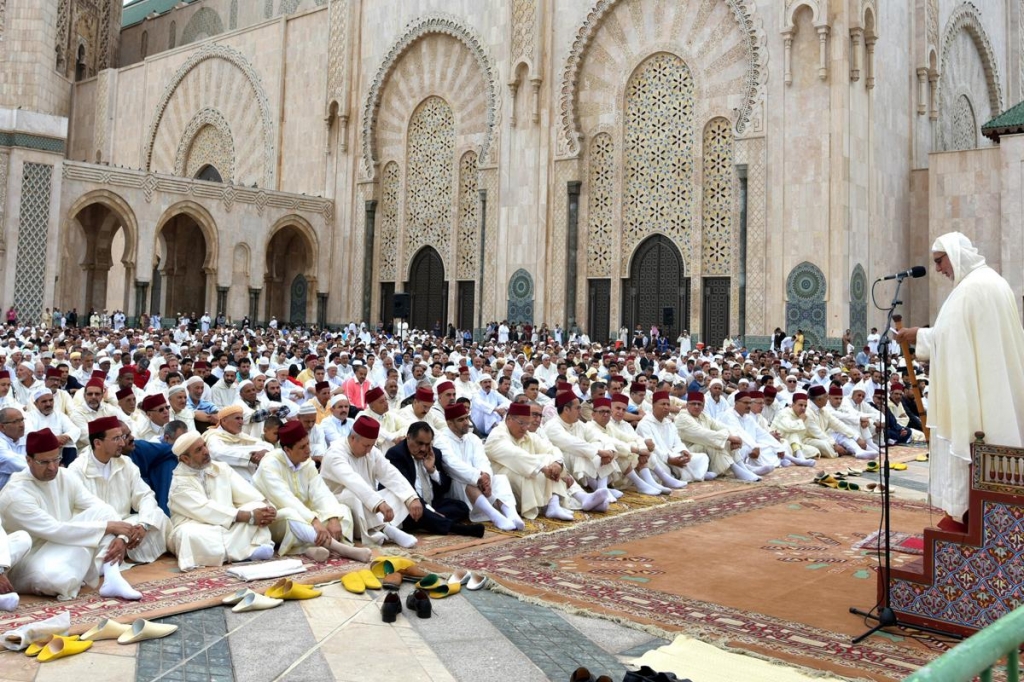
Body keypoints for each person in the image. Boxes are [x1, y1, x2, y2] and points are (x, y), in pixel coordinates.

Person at [896, 232, 1024, 530]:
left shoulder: (970, 289)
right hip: (993, 386)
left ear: (954, 255)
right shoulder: (993, 282)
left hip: (979, 389)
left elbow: (951, 338)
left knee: (971, 448)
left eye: (940, 261)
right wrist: (928, 336)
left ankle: (965, 516)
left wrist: (920, 336)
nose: (939, 269)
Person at [0, 428, 143, 600]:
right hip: (29, 560)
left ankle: (112, 577)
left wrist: (121, 537)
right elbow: (54, 529)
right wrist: (107, 528)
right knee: (54, 580)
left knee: (103, 512)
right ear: (29, 460)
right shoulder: (15, 493)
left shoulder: (65, 476)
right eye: (44, 462)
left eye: (56, 459)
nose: (52, 467)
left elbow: (102, 509)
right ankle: (85, 569)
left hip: (63, 545)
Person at [252, 421, 370, 562]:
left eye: (308, 444)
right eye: (302, 447)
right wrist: (314, 521)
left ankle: (309, 548)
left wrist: (332, 517)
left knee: (342, 510)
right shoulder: (269, 466)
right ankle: (340, 548)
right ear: (287, 450)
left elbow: (321, 492)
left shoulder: (306, 462)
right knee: (291, 514)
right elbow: (286, 499)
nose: (308, 450)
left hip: (306, 517)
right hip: (276, 521)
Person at [167, 432, 277, 571]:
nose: (206, 452)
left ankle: (240, 551)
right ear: (185, 459)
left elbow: (247, 494)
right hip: (200, 526)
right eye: (199, 450)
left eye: (204, 446)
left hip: (230, 522)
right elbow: (206, 509)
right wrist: (246, 516)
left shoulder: (221, 468)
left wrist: (267, 508)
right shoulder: (179, 484)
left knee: (259, 506)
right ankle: (247, 550)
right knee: (188, 534)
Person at [67, 416, 169, 565]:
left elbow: (145, 496)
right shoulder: (77, 470)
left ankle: (122, 546)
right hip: (101, 531)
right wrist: (118, 532)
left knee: (158, 517)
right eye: (116, 439)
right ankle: (119, 551)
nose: (122, 443)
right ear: (97, 443)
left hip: (128, 525)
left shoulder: (125, 462)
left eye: (122, 437)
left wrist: (143, 525)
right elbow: (80, 517)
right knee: (94, 541)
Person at [320, 416, 421, 548]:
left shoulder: (371, 451)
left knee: (400, 493)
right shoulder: (335, 453)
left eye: (372, 445)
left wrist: (411, 497)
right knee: (353, 493)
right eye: (366, 445)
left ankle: (384, 528)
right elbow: (354, 482)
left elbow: (390, 473)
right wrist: (379, 503)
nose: (368, 450)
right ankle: (386, 530)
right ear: (352, 438)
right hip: (339, 504)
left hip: (368, 504)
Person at [383, 421, 485, 538]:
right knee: (420, 512)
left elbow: (445, 487)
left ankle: (431, 521)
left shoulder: (434, 453)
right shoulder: (397, 454)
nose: (423, 448)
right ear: (408, 438)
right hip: (410, 504)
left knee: (462, 507)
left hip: (432, 504)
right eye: (419, 443)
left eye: (427, 444)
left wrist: (432, 471)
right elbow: (407, 489)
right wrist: (430, 511)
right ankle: (457, 528)